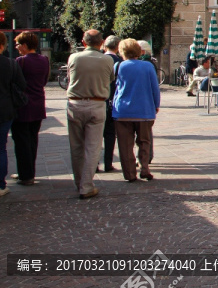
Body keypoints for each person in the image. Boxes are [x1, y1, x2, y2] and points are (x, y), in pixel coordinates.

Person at [66, 29, 114, 199]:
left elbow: (69, 78)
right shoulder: (107, 59)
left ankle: (79, 183)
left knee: (76, 146)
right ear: (101, 43)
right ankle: (86, 185)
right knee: (93, 147)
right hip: (97, 103)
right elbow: (110, 78)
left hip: (75, 103)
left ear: (83, 42)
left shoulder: (74, 57)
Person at [112, 39, 160, 182]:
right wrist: (156, 105)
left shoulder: (118, 66)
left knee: (125, 145)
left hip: (122, 110)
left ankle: (129, 174)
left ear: (122, 52)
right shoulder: (148, 66)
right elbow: (154, 88)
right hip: (144, 109)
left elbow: (115, 86)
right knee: (144, 141)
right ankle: (144, 168)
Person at [10, 32, 48, 186]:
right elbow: (44, 80)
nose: (17, 47)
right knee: (32, 139)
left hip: (23, 106)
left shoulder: (20, 61)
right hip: (38, 104)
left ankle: (25, 175)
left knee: (21, 140)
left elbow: (15, 83)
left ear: (25, 45)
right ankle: (29, 171)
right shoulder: (44, 60)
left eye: (18, 44)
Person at [0, 31, 26, 197]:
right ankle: (0, 185)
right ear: (1, 46)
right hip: (3, 111)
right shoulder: (11, 64)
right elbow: (22, 84)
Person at [100, 35, 122, 173]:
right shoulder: (120, 62)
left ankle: (94, 164)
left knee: (95, 136)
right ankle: (108, 163)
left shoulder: (99, 60)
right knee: (110, 134)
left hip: (98, 100)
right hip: (113, 101)